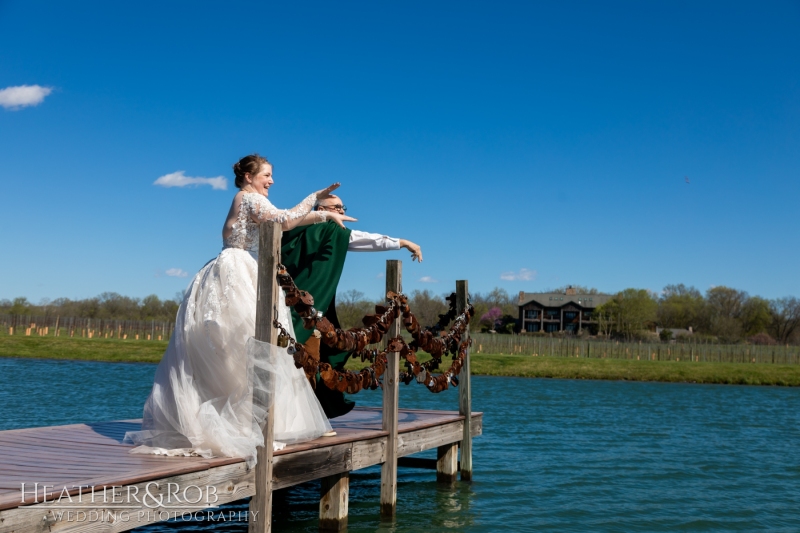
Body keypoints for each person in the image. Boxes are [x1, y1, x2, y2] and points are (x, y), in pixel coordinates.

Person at [124, 154, 356, 468]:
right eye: (267, 175)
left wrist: (323, 218)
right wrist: (314, 199)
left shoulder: (250, 200)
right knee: (237, 346)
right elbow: (284, 221)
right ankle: (236, 423)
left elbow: (284, 221)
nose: (272, 181)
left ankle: (246, 420)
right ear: (249, 176)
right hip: (236, 274)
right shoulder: (248, 198)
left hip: (240, 270)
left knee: (246, 348)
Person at [279, 194, 423, 418]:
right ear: (320, 209)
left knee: (312, 357)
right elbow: (364, 240)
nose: (341, 211)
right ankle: (300, 416)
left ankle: (307, 414)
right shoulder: (327, 229)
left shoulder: (295, 229)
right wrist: (402, 242)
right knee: (306, 359)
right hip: (304, 309)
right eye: (336, 207)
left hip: (296, 304)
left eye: (342, 207)